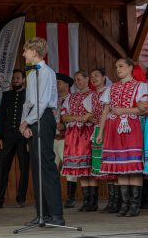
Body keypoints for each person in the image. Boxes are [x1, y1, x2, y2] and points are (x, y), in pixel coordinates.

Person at [20, 37, 64, 226]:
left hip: (44, 117)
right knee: (36, 168)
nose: (23, 54)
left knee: (47, 165)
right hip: (33, 118)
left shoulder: (46, 72)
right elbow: (28, 102)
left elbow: (43, 102)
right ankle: (42, 214)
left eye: (25, 50)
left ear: (34, 52)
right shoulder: (31, 75)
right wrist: (25, 124)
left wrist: (27, 122)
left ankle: (56, 214)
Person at [97, 58, 148, 217]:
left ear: (131, 68)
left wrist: (123, 110)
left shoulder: (141, 86)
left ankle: (135, 205)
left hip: (132, 127)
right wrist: (100, 132)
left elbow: (144, 109)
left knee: (133, 167)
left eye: (121, 66)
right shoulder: (111, 88)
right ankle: (125, 205)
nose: (118, 69)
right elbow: (106, 111)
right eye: (116, 67)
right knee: (122, 167)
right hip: (113, 129)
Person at [0, 69, 30, 209]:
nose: (15, 80)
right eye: (13, 78)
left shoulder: (29, 94)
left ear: (24, 80)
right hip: (7, 137)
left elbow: (32, 117)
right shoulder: (7, 95)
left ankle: (21, 198)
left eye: (18, 78)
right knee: (2, 168)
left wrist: (30, 140)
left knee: (24, 168)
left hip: (23, 138)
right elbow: (1, 118)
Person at [83, 69, 119, 213]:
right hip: (98, 130)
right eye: (91, 76)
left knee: (112, 164)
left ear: (104, 77)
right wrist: (90, 117)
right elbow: (90, 114)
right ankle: (112, 202)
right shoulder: (91, 96)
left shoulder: (111, 90)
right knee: (104, 166)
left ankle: (116, 202)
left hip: (111, 129)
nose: (94, 78)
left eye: (97, 75)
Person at [61, 71, 94, 212]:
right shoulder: (70, 97)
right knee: (82, 169)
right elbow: (64, 118)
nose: (77, 82)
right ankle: (87, 201)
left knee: (89, 168)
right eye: (75, 80)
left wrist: (81, 117)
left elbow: (93, 116)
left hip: (88, 134)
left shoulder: (94, 95)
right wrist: (79, 117)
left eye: (79, 79)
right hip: (74, 136)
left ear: (87, 79)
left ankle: (93, 201)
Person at [53, 73, 78, 208]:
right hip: (52, 139)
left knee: (70, 169)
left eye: (58, 82)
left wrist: (64, 126)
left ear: (66, 85)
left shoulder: (72, 100)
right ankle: (52, 198)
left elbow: (76, 119)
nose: (55, 85)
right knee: (51, 169)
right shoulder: (51, 100)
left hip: (66, 138)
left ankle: (71, 198)